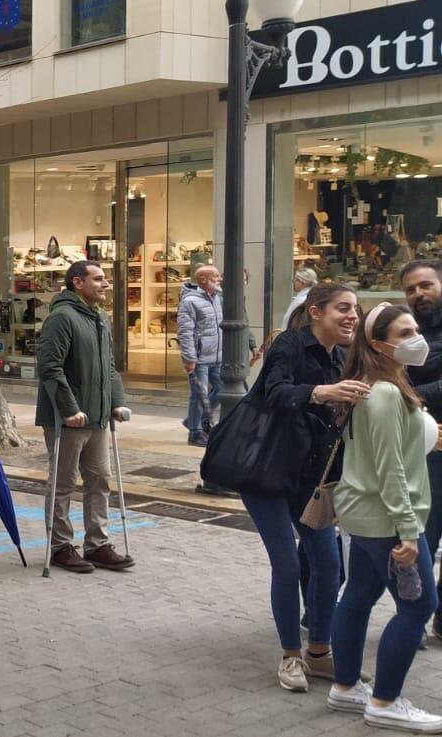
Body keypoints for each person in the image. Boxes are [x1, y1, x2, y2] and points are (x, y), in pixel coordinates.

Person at [241, 282, 365, 692]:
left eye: (356, 309)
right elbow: (274, 391)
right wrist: (322, 392)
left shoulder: (344, 355)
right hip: (266, 471)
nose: (352, 316)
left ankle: (319, 653)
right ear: (316, 311)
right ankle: (291, 657)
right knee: (289, 564)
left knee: (329, 563)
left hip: (311, 476)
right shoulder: (289, 345)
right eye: (343, 308)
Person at [325, 302, 442, 732]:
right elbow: (390, 468)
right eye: (404, 332)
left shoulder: (371, 385)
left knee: (357, 596)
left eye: (415, 328)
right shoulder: (387, 393)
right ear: (378, 345)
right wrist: (409, 531)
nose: (417, 338)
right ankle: (385, 701)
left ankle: (344, 688)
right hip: (387, 519)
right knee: (419, 607)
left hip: (362, 513)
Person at [36, 260, 135, 574]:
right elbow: (49, 368)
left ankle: (97, 544)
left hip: (97, 416)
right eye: (99, 279)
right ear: (78, 283)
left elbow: (108, 365)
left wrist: (116, 403)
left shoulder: (99, 318)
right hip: (69, 419)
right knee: (63, 483)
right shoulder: (62, 318)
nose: (106, 284)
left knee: (99, 481)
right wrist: (69, 409)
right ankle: (61, 546)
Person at [401, 259, 442, 642]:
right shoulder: (407, 335)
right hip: (426, 453)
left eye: (426, 285)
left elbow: (406, 389)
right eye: (411, 289)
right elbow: (396, 388)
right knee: (423, 540)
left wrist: (415, 394)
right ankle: (415, 615)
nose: (419, 294)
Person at [177, 265, 225, 447]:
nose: (219, 279)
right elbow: (185, 331)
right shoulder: (190, 301)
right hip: (199, 358)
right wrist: (189, 358)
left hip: (216, 356)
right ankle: (195, 432)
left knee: (222, 388)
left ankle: (194, 421)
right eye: (216, 276)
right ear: (203, 279)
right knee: (199, 394)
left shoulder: (216, 298)